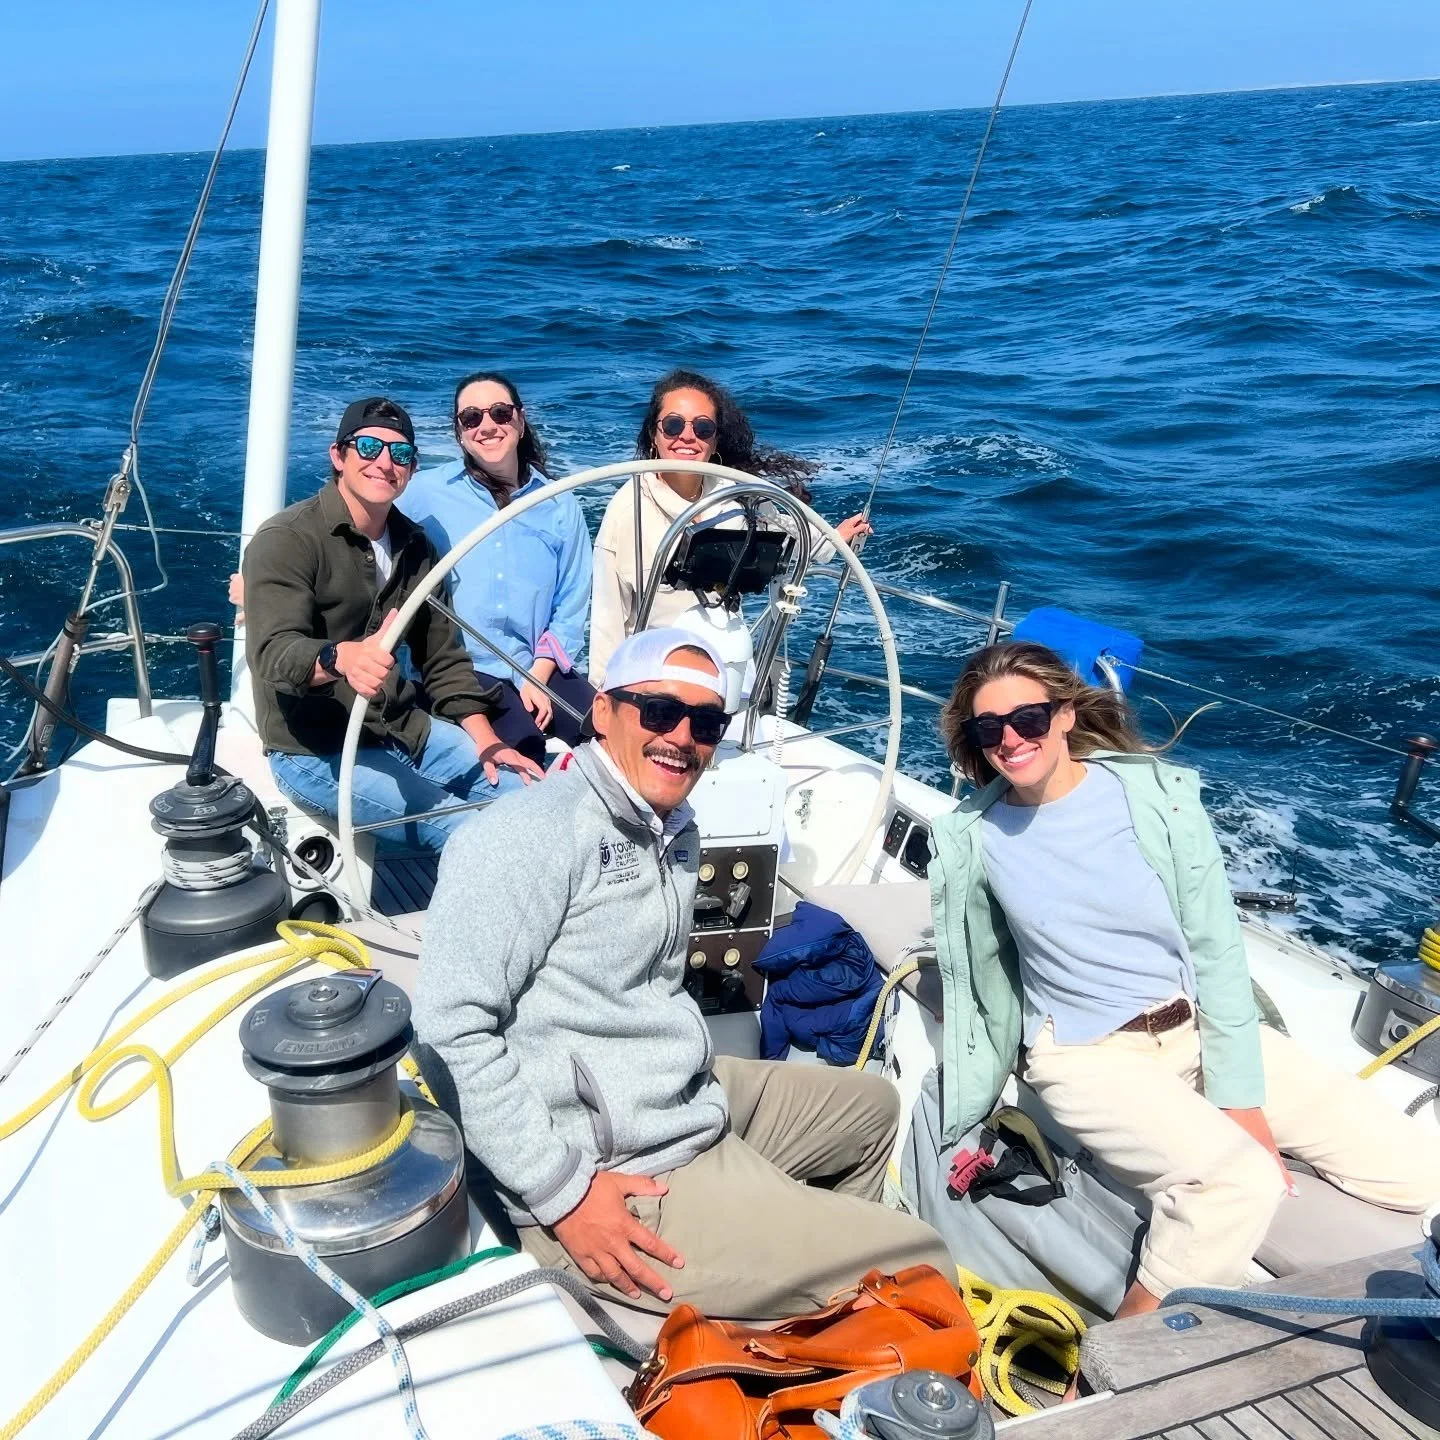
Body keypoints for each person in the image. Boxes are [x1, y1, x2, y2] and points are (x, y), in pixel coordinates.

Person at [414, 626, 954, 1319]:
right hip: (605, 1169)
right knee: (921, 1262)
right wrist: (563, 1195)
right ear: (603, 713)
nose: (684, 737)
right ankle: (838, 1284)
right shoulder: (529, 836)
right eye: (660, 711)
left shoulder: (672, 825)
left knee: (871, 1111)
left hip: (676, 1099)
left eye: (706, 722)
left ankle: (812, 1317)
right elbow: (446, 1031)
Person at [930, 640, 1440, 1322]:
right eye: (988, 728)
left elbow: (1217, 950)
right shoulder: (974, 836)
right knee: (1237, 1181)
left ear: (1067, 716)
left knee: (1423, 1167)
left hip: (1192, 1030)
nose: (1011, 739)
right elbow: (975, 965)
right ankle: (1117, 1375)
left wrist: (1240, 1099)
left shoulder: (1154, 798)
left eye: (1029, 717)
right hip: (1085, 1054)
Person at [243, 396, 543, 854]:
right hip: (315, 752)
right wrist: (340, 657)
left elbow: (443, 659)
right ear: (338, 456)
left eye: (400, 454)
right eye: (368, 448)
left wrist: (486, 742)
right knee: (470, 837)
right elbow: (273, 654)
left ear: (412, 469)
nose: (384, 463)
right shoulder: (287, 539)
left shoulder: (416, 546)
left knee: (534, 804)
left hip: (403, 728)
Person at [588, 369, 873, 686]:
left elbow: (787, 536)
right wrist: (605, 693)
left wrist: (836, 536)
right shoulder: (628, 510)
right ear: (653, 435)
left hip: (726, 667)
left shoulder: (736, 494)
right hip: (653, 674)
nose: (687, 436)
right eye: (673, 425)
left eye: (702, 427)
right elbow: (607, 618)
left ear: (715, 440)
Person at [399, 372, 595, 769]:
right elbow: (358, 520)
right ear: (459, 432)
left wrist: (538, 674)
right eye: (471, 418)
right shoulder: (423, 493)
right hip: (461, 666)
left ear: (519, 422)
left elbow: (571, 602)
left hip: (536, 662)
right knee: (524, 748)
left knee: (610, 729)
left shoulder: (559, 504)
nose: (487, 425)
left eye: (500, 413)